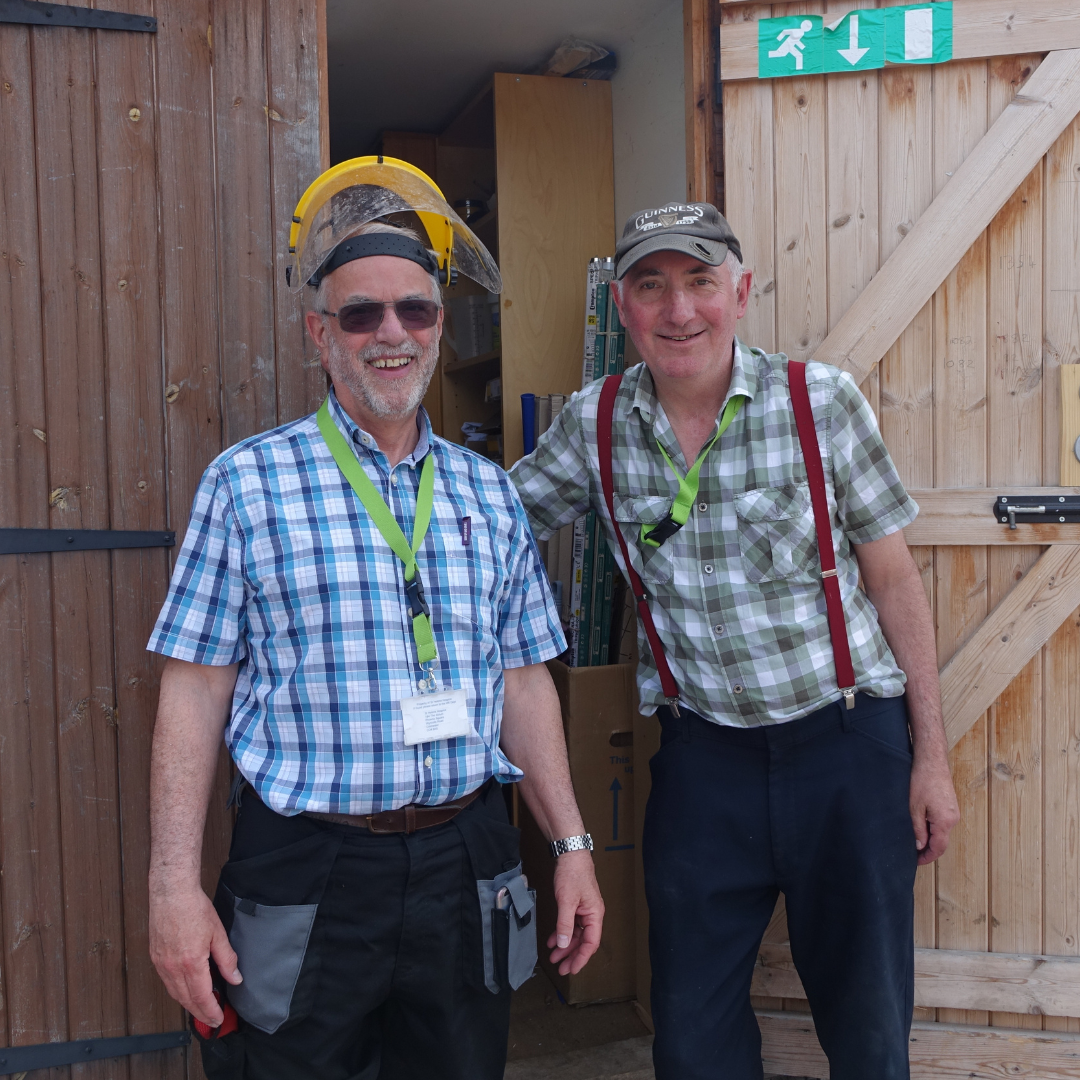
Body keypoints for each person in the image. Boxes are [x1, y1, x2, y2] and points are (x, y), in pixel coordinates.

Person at [146, 157, 604, 1080]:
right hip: (307, 869)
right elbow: (193, 692)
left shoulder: (488, 491)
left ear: (438, 327)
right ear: (321, 334)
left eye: (416, 310)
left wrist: (572, 845)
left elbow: (522, 680)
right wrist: (171, 885)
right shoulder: (247, 484)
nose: (391, 333)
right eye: (362, 314)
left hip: (467, 857)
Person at [510, 201, 960, 1080]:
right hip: (702, 762)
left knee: (869, 1033)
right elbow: (484, 524)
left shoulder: (817, 401)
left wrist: (929, 757)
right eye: (652, 287)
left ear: (740, 291)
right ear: (625, 308)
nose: (680, 311)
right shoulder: (593, 423)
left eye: (700, 283)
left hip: (847, 747)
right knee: (691, 1040)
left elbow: (895, 581)